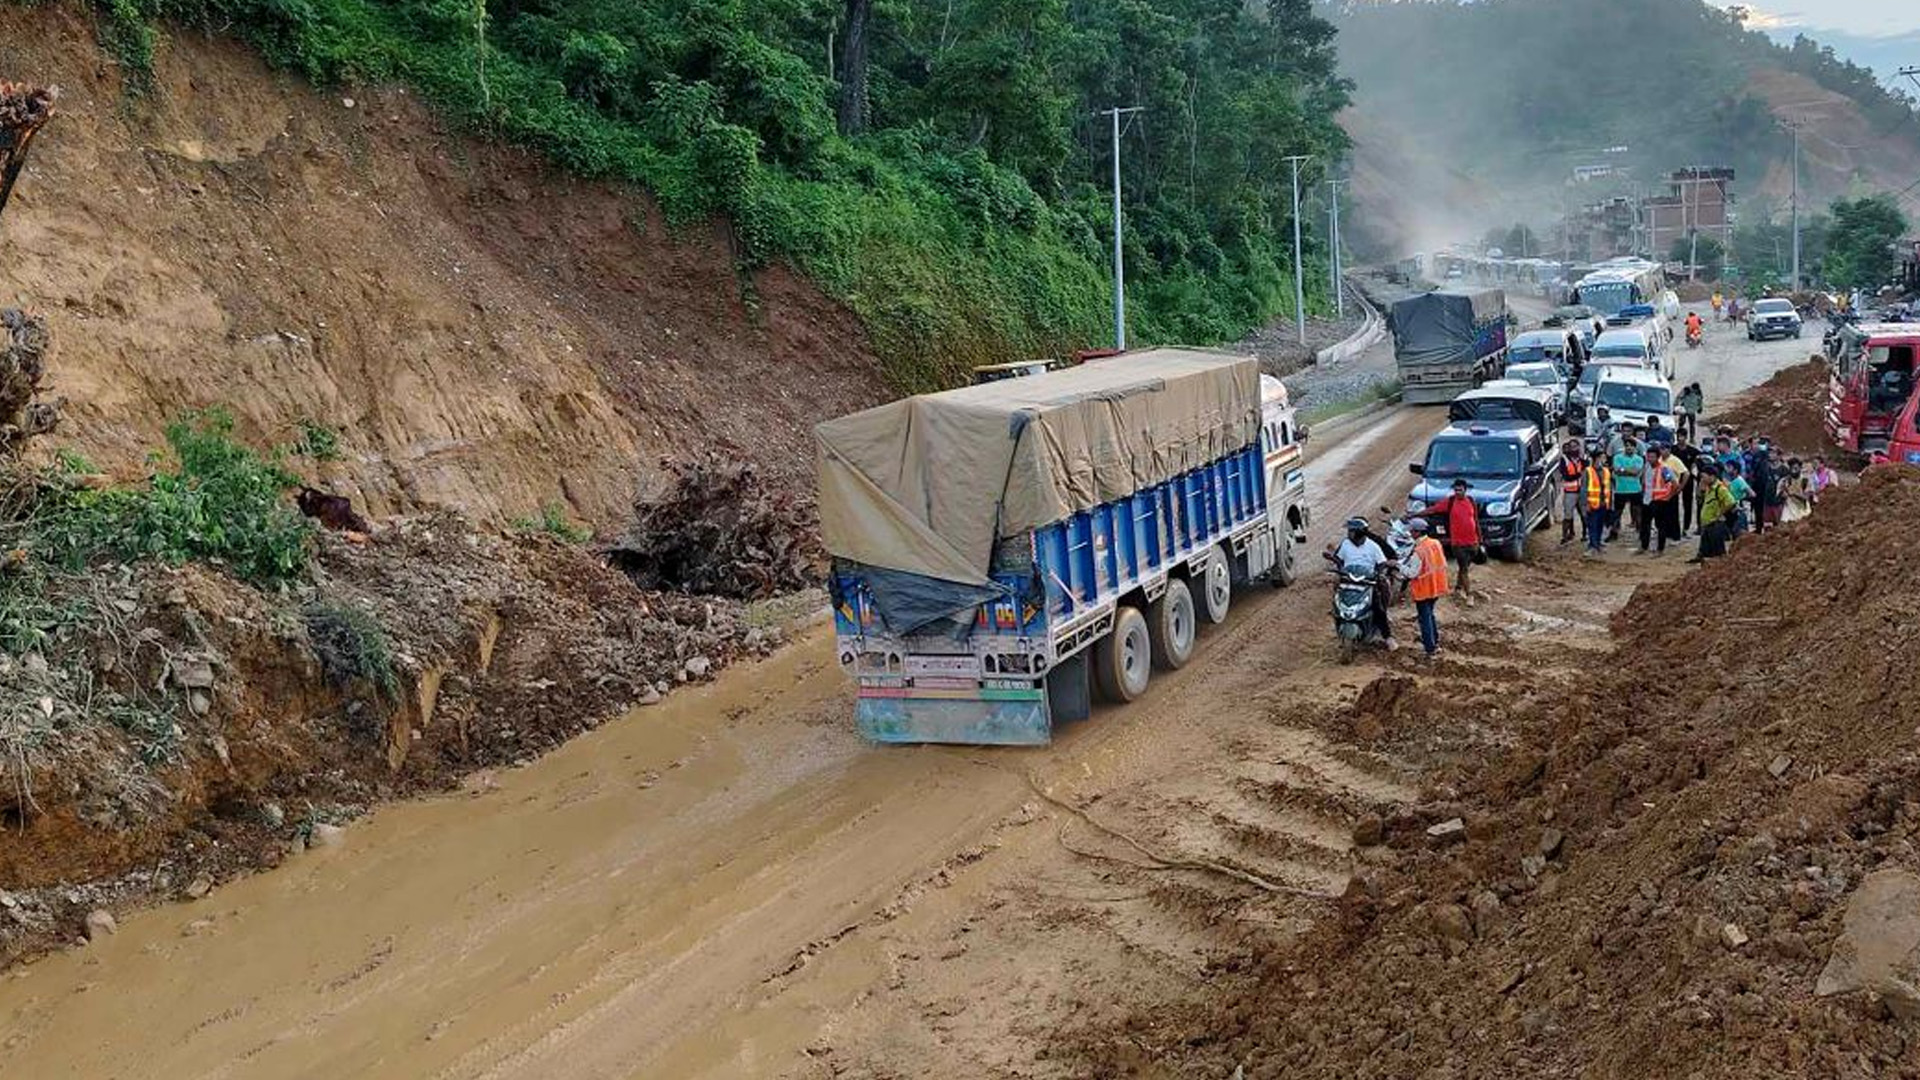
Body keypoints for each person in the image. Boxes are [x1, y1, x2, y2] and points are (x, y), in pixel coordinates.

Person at [1329, 517, 1395, 648]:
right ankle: (1341, 630)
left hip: (1367, 582)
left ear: (1359, 532)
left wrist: (1379, 574)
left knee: (1378, 608)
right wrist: (1338, 568)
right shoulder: (1346, 544)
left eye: (1351, 531)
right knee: (1337, 603)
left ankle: (1387, 637)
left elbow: (1381, 563)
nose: (1349, 534)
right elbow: (1338, 559)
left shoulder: (1373, 546)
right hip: (1348, 580)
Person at [1423, 477, 1482, 604]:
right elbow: (1432, 509)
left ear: (1465, 490)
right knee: (1464, 568)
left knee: (1464, 567)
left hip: (1473, 543)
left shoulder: (1471, 501)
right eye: (1456, 490)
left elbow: (1476, 520)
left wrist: (1480, 540)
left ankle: (1458, 588)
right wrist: (1414, 515)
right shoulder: (1449, 502)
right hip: (1458, 544)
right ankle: (1469, 594)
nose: (1458, 493)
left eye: (1460, 490)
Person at [1406, 518, 1448, 659]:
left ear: (1417, 532)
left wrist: (1398, 566)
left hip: (1423, 589)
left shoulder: (1419, 550)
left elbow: (1412, 573)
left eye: (1412, 530)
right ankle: (1435, 642)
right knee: (1430, 615)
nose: (1410, 533)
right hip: (1436, 586)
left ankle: (1430, 648)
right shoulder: (1435, 543)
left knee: (1424, 619)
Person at [1691, 464, 1738, 562]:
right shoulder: (1709, 487)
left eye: (1704, 477)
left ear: (1712, 476)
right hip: (1707, 522)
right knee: (1706, 547)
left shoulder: (1720, 489)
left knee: (1718, 551)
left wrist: (1720, 514)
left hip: (1715, 524)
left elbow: (1731, 502)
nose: (1702, 479)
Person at [1643, 446, 1684, 555]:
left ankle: (1660, 549)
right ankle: (1644, 546)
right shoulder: (1647, 467)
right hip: (1648, 500)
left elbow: (1675, 484)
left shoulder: (1664, 469)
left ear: (1658, 457)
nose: (1650, 459)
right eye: (1648, 456)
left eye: (1652, 457)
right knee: (1645, 524)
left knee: (1661, 526)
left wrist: (1669, 496)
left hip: (1660, 501)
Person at [1611, 434, 1645, 543]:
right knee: (1617, 513)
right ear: (1624, 447)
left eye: (1631, 446)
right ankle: (1614, 532)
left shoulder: (1639, 459)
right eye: (1627, 446)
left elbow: (1636, 472)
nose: (1629, 448)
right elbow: (1617, 470)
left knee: (1638, 512)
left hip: (1635, 489)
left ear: (1635, 448)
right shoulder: (1617, 457)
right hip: (1620, 489)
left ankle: (1641, 533)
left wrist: (1623, 470)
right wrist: (1629, 471)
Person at [1581, 447, 1613, 557]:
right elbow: (1584, 489)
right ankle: (1593, 546)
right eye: (1602, 458)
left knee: (1599, 525)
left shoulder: (1606, 471)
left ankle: (1597, 544)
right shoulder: (1588, 471)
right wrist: (1585, 505)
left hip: (1603, 503)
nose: (1604, 460)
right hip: (1593, 504)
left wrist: (1610, 504)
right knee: (1592, 526)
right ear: (1596, 459)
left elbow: (1609, 488)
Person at [1557, 439, 1585, 545]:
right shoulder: (1564, 460)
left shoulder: (1581, 459)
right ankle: (1565, 535)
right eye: (1572, 447)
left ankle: (1584, 534)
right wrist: (1579, 474)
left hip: (1581, 490)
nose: (1574, 449)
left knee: (1583, 513)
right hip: (1570, 491)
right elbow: (1567, 476)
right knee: (1568, 514)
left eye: (1576, 446)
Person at [1745, 438, 1775, 535]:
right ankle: (1758, 529)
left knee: (1769, 509)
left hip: (1770, 487)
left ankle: (1770, 530)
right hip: (1758, 486)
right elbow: (1752, 471)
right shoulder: (1756, 456)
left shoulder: (1771, 456)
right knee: (1758, 509)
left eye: (1764, 444)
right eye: (1760, 443)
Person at [1726, 460, 1753, 538]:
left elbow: (1752, 493)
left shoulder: (1739, 481)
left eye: (1729, 467)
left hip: (1738, 510)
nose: (1727, 469)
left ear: (1735, 470)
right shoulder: (1732, 480)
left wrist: (1741, 500)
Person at [1781, 457, 1812, 523]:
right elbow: (1782, 494)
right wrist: (1784, 495)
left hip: (1803, 511)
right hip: (1789, 510)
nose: (1793, 471)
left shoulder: (1805, 481)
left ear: (1800, 468)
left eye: (1795, 468)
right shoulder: (1786, 480)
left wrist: (1794, 494)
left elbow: (1806, 497)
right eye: (1791, 468)